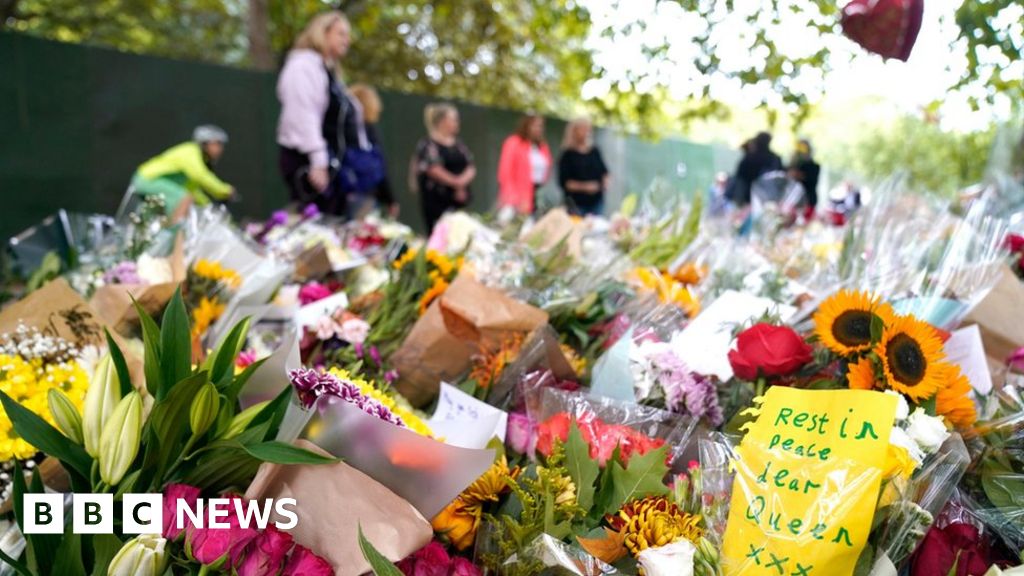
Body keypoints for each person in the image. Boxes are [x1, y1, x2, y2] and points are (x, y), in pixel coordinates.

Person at [276, 10, 352, 216]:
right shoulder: (302, 66)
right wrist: (318, 161)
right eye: (341, 34)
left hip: (325, 160)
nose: (347, 40)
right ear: (323, 33)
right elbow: (302, 114)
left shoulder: (326, 70)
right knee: (312, 226)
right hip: (306, 160)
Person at [133, 125, 234, 216]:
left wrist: (207, 205)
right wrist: (225, 190)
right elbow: (200, 175)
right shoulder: (190, 151)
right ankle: (171, 233)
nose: (221, 149)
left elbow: (192, 189)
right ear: (205, 143)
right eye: (218, 144)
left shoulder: (199, 157)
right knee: (185, 199)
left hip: (154, 182)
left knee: (187, 204)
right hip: (148, 179)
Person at [413, 103, 476, 234]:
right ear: (442, 121)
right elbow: (433, 169)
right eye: (453, 119)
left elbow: (470, 166)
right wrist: (456, 183)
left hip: (460, 201)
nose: (457, 123)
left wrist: (461, 184)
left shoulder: (459, 145)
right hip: (437, 203)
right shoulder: (428, 145)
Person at [344, 84, 399, 219]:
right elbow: (379, 165)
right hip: (363, 193)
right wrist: (391, 199)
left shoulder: (344, 128)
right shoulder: (367, 131)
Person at [497, 113, 552, 215]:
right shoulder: (513, 142)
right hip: (516, 198)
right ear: (526, 125)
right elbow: (505, 172)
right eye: (535, 125)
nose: (539, 129)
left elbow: (545, 171)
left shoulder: (543, 147)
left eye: (541, 126)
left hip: (537, 194)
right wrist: (513, 198)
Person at [558, 117, 609, 217]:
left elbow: (604, 171)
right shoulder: (567, 155)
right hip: (576, 205)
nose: (586, 132)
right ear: (574, 131)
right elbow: (565, 183)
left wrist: (604, 183)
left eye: (588, 129)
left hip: (596, 204)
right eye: (583, 129)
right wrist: (586, 187)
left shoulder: (594, 151)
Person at [729, 132, 783, 207]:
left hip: (749, 198)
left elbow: (740, 176)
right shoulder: (774, 158)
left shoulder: (748, 158)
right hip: (768, 197)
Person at [790, 139, 821, 221]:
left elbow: (809, 179)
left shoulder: (813, 166)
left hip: (808, 200)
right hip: (794, 201)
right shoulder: (793, 164)